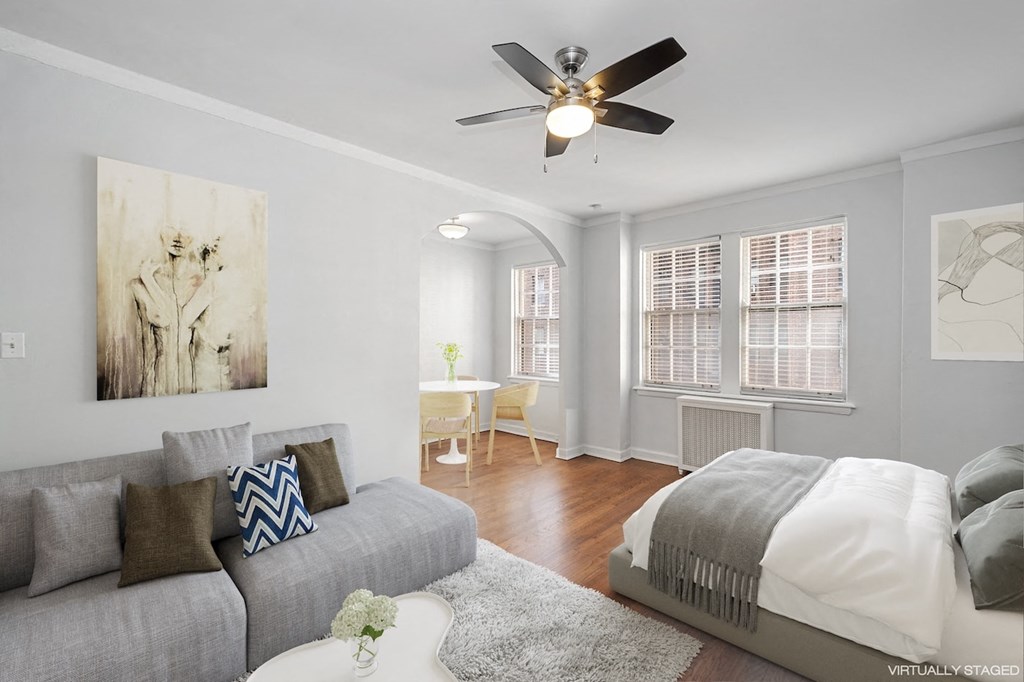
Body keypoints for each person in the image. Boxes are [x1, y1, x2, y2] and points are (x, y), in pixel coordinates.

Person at [130, 225, 230, 396]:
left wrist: (149, 280)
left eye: (184, 230)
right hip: (156, 376)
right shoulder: (137, 285)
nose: (178, 237)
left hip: (186, 377)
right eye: (172, 229)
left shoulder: (203, 285)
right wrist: (148, 280)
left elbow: (174, 319)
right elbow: (164, 319)